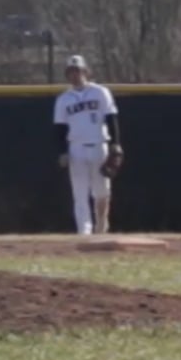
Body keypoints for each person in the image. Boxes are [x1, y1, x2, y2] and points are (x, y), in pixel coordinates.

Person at [54, 54, 122, 236]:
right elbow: (60, 128)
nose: (75, 75)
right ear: (67, 75)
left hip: (100, 145)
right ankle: (84, 231)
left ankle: (101, 224)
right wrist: (62, 152)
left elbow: (111, 118)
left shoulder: (100, 92)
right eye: (71, 72)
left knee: (101, 192)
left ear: (86, 71)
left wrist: (116, 143)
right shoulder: (63, 99)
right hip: (76, 147)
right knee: (79, 193)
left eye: (78, 70)